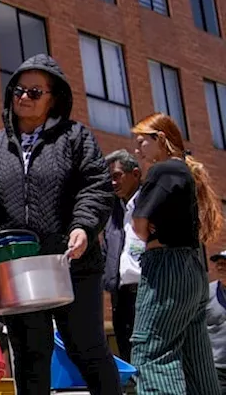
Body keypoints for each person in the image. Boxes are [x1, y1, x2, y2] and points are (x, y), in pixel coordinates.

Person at [0, 54, 119, 395]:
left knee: (86, 349)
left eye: (35, 92)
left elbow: (96, 186)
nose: (23, 97)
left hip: (73, 260)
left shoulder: (77, 137)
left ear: (54, 98)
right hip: (17, 267)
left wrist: (84, 227)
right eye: (18, 89)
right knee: (30, 355)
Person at [129, 113, 223, 394]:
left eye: (141, 142)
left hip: (166, 268)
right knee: (196, 360)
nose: (137, 150)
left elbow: (139, 224)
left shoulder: (164, 170)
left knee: (151, 352)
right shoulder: (183, 172)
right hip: (192, 271)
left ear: (160, 139)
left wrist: (143, 227)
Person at [102, 149, 144, 362]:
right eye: (109, 178)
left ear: (135, 174)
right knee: (129, 357)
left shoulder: (150, 204)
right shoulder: (114, 213)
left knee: (150, 355)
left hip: (147, 292)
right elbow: (106, 254)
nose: (113, 183)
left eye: (117, 176)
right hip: (120, 298)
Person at [205, 250, 226, 393]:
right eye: (218, 264)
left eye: (224, 264)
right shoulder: (206, 292)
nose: (220, 267)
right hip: (215, 369)